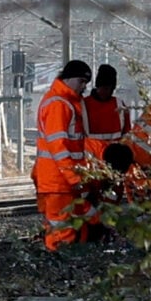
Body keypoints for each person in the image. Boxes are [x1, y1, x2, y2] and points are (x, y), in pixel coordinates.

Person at [31, 59, 100, 251]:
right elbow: (58, 147)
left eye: (86, 82)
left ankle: (66, 267)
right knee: (62, 231)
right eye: (81, 81)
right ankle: (61, 267)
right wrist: (73, 177)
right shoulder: (59, 105)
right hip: (59, 182)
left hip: (61, 182)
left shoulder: (64, 102)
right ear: (68, 79)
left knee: (67, 226)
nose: (84, 87)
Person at [82, 64, 131, 163]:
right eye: (104, 88)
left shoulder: (120, 105)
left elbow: (127, 135)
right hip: (91, 161)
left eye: (110, 89)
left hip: (116, 162)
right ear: (98, 86)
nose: (106, 92)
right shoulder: (83, 105)